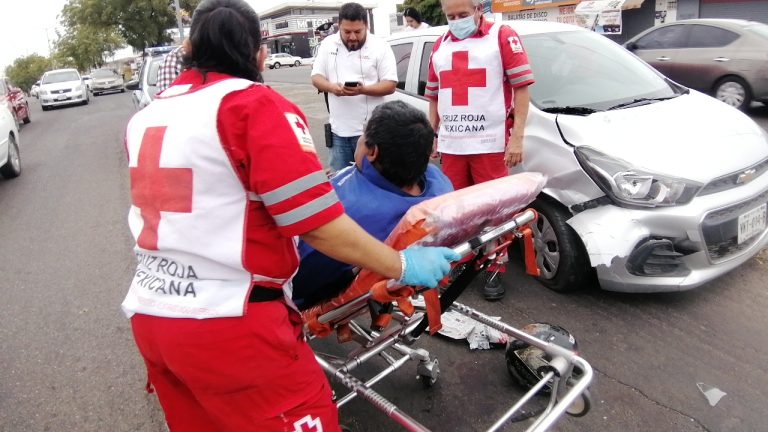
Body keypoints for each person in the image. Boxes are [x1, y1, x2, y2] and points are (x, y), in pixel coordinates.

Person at [121, 1, 459, 431]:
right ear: (260, 54)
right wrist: (403, 264)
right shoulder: (253, 107)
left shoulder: (147, 116)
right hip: (232, 324)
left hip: (153, 316)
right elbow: (316, 225)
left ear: (188, 47)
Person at [293, 100, 454, 309]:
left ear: (373, 152)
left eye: (363, 135)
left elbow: (300, 276)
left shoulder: (348, 219)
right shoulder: (437, 183)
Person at [425, 0, 535, 301]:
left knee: (494, 211)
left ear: (478, 10)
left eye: (463, 14)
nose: (457, 20)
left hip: (489, 144)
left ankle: (494, 267)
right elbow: (434, 98)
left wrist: (517, 138)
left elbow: (522, 88)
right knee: (456, 214)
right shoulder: (440, 46)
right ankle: (460, 263)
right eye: (451, 16)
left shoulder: (501, 35)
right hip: (453, 145)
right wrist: (429, 135)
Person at [311, 2, 398, 173]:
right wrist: (331, 87)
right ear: (339, 26)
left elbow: (390, 85)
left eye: (357, 32)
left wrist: (363, 90)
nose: (352, 37)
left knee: (374, 183)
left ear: (366, 26)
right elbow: (316, 77)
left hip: (371, 133)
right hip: (338, 135)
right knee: (341, 184)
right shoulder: (328, 44)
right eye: (347, 32)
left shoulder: (380, 46)